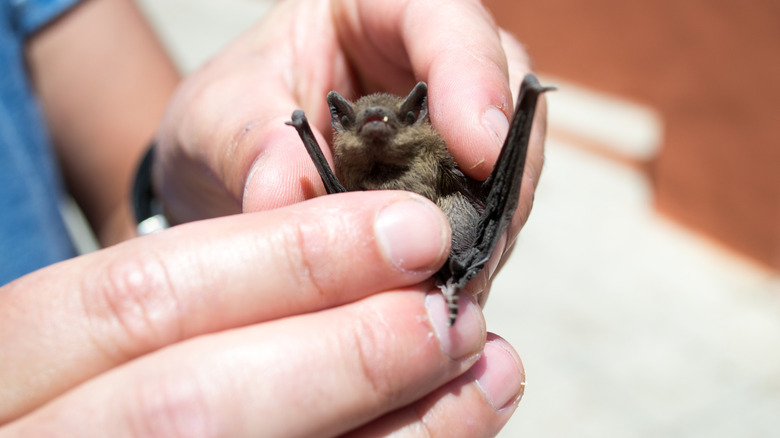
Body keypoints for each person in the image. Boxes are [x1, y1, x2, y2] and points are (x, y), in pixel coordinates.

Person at [0, 0, 548, 435]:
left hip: (438, 242)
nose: (379, 127)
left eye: (397, 120)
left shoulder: (436, 155)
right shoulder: (340, 174)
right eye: (362, 123)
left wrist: (173, 207)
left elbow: (124, 196)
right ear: (337, 124)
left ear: (419, 117)